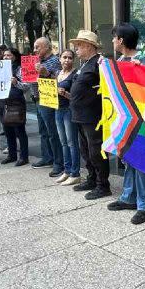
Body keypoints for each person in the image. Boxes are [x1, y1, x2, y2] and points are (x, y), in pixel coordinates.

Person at [106, 23, 145, 225]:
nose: (113, 41)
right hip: (124, 118)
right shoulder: (119, 61)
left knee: (141, 162)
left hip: (141, 119)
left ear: (121, 40)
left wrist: (140, 71)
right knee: (129, 159)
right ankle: (128, 197)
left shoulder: (142, 60)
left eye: (114, 37)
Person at [69, 30, 111, 200]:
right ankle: (92, 178)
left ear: (88, 46)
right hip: (80, 115)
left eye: (78, 46)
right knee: (85, 150)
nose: (76, 49)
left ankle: (103, 185)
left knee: (96, 151)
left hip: (93, 116)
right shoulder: (84, 64)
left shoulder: (100, 63)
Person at [31, 37, 64, 177]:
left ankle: (58, 162)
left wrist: (46, 73)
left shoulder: (55, 61)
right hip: (37, 99)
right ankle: (47, 157)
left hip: (48, 100)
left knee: (52, 132)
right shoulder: (36, 61)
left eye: (38, 47)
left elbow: (59, 80)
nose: (35, 50)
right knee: (43, 131)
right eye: (35, 47)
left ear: (47, 47)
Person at [54, 49, 81, 186]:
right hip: (57, 110)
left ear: (73, 60)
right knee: (63, 142)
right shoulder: (58, 74)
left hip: (69, 111)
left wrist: (65, 94)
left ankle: (75, 173)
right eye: (64, 57)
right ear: (59, 58)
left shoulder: (75, 74)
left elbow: (76, 98)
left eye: (70, 58)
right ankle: (67, 170)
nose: (67, 60)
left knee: (72, 143)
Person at [0, 48, 30, 166]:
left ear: (15, 57)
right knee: (7, 130)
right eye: (4, 55)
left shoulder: (20, 69)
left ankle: (24, 157)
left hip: (16, 103)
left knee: (19, 130)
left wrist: (16, 83)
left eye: (9, 55)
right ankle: (12, 155)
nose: (6, 57)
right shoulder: (0, 69)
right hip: (4, 102)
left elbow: (26, 86)